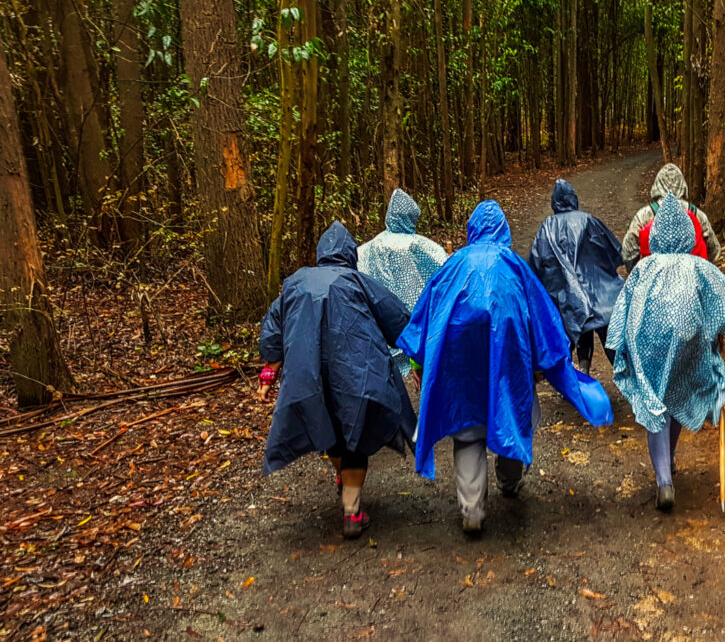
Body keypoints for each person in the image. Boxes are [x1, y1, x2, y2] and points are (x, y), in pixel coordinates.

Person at [397, 200, 613, 535]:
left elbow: (425, 319)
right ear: (503, 231)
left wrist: (418, 364)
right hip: (509, 362)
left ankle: (472, 510)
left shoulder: (452, 266)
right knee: (512, 415)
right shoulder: (514, 267)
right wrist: (542, 367)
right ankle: (510, 482)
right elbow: (542, 320)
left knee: (468, 432)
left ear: (472, 231)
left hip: (460, 366)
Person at [257, 222, 417, 539]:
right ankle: (352, 511)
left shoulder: (295, 283)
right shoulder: (359, 281)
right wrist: (420, 356)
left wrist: (267, 375)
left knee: (327, 427)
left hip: (309, 375)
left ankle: (345, 483)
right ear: (349, 254)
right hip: (356, 376)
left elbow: (273, 329)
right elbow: (397, 319)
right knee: (354, 436)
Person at [606, 194, 725, 511]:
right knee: (678, 394)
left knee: (655, 401)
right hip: (688, 345)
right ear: (688, 233)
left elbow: (621, 317)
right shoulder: (700, 268)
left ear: (656, 235)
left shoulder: (644, 269)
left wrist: (621, 348)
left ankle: (664, 480)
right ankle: (668, 461)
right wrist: (719, 325)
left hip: (649, 348)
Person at [527, 179, 624, 375]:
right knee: (608, 336)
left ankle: (580, 374)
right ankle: (624, 374)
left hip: (567, 298)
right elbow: (611, 251)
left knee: (576, 329)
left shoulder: (547, 227)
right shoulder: (588, 220)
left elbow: (536, 263)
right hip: (599, 293)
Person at [357, 188, 448, 375]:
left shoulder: (368, 248)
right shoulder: (418, 245)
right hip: (414, 331)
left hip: (380, 335)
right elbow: (444, 269)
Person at [621, 163, 721, 273]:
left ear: (657, 186)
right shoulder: (698, 214)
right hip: (691, 278)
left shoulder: (644, 215)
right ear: (683, 186)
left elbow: (629, 251)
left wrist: (637, 275)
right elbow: (713, 250)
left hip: (654, 278)